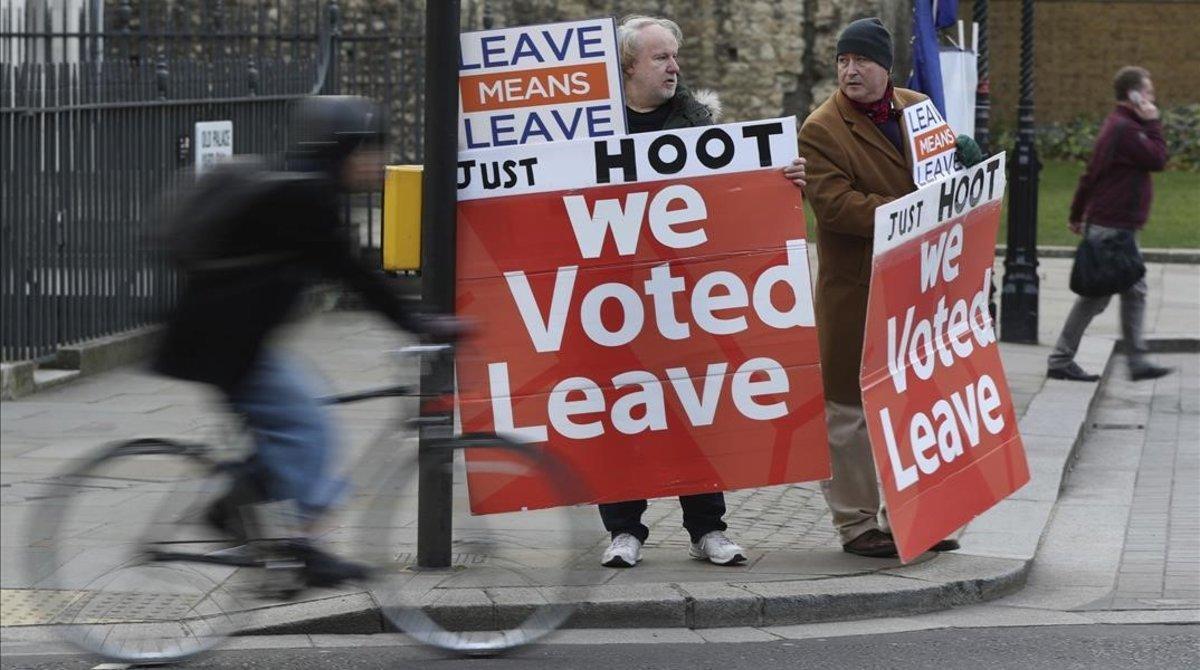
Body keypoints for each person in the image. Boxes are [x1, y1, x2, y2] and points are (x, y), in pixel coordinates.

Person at [153, 95, 464, 587]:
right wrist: (420, 323)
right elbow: (352, 272)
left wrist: (413, 319)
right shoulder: (304, 196)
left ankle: (248, 523)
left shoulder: (303, 187)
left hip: (228, 341)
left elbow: (345, 268)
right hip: (224, 347)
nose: (380, 162)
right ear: (347, 151)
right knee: (309, 426)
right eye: (373, 149)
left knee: (295, 420)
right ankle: (296, 547)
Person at [597, 15, 807, 569]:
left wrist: (780, 181)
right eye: (661, 57)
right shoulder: (592, 131)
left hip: (688, 298)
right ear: (627, 68)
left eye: (674, 56)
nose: (674, 66)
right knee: (620, 413)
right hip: (614, 299)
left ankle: (707, 528)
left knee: (696, 410)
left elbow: (732, 202)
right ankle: (623, 530)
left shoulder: (701, 126)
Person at [798, 17, 960, 559]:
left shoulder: (918, 109)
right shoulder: (821, 128)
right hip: (857, 291)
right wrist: (912, 213)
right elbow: (834, 207)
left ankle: (919, 514)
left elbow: (943, 176)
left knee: (915, 401)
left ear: (886, 67)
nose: (850, 70)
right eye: (843, 61)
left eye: (861, 60)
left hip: (918, 287)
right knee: (848, 412)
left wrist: (965, 172)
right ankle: (857, 523)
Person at [1046, 66, 1172, 383]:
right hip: (1113, 227)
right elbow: (1158, 158)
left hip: (1113, 224)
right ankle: (1129, 361)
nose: (1152, 97)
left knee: (1113, 293)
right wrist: (1153, 120)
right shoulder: (1126, 130)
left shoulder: (1121, 126)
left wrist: (1077, 214)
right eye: (1148, 91)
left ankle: (1075, 358)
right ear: (1134, 95)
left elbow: (1091, 174)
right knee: (1116, 292)